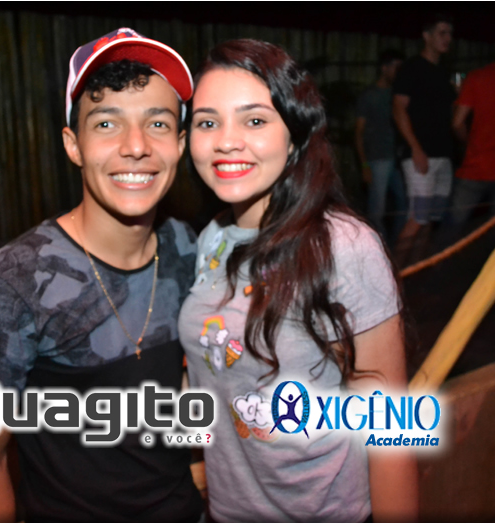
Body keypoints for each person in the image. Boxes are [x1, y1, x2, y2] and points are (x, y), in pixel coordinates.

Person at [0, 28, 203, 522]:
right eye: (107, 123)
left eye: (157, 123)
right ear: (73, 145)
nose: (136, 146)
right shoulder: (11, 279)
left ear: (180, 143)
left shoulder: (188, 246)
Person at [180, 39, 418, 522]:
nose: (226, 141)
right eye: (207, 122)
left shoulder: (344, 246)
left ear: (294, 135)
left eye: (254, 120)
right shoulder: (212, 239)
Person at [393, 13, 456, 263]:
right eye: (442, 33)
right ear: (426, 36)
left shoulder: (444, 72)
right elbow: (398, 110)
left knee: (430, 218)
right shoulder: (411, 68)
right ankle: (393, 277)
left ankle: (417, 271)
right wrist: (416, 148)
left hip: (444, 154)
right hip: (420, 155)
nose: (447, 38)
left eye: (449, 33)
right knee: (418, 217)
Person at [449, 20, 495, 230]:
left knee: (453, 228)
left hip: (477, 163)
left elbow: (457, 122)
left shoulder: (478, 77)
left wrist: (468, 142)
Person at [355, 49, 407, 243]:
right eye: (396, 67)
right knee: (377, 210)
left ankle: (395, 246)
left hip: (398, 159)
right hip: (377, 159)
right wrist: (364, 165)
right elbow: (358, 133)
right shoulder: (369, 96)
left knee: (405, 205)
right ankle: (378, 249)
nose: (399, 72)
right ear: (384, 68)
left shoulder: (398, 95)